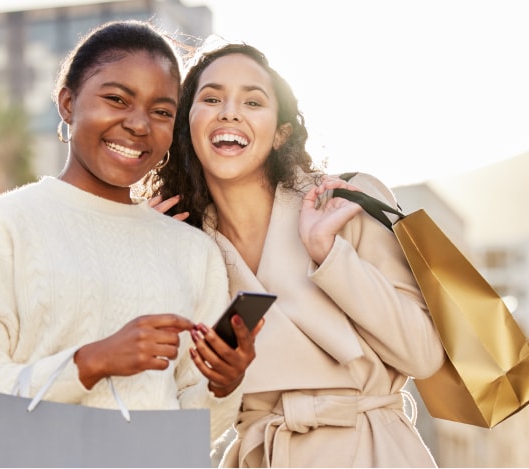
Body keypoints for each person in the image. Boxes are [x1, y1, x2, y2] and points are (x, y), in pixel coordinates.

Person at [0, 21, 262, 452]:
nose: (138, 124)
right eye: (116, 99)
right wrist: (93, 361)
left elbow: (193, 432)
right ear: (68, 103)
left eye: (161, 111)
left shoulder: (192, 251)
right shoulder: (1, 226)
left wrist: (224, 383)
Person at [153, 40, 446, 467]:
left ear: (280, 133)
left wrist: (329, 255)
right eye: (211, 98)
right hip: (263, 455)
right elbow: (177, 416)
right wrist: (142, 259)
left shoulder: (342, 202)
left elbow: (423, 355)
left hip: (371, 453)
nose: (229, 111)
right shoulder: (184, 246)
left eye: (253, 101)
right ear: (188, 126)